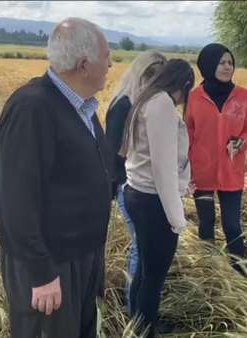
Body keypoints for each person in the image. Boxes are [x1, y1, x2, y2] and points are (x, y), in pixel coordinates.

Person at [0, 17, 113, 337]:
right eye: (107, 55)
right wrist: (41, 274)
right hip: (52, 265)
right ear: (85, 64)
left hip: (81, 258)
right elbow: (16, 201)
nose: (112, 63)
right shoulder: (32, 108)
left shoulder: (81, 107)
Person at [120, 59, 195, 337]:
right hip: (154, 201)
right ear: (185, 85)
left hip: (138, 194)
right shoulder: (162, 104)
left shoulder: (146, 99)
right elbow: (163, 169)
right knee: (154, 275)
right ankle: (147, 330)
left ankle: (139, 324)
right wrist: (177, 219)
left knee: (146, 269)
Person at [185, 43, 247, 275]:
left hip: (231, 172)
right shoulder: (194, 97)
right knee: (206, 225)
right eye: (222, 62)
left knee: (232, 226)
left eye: (230, 62)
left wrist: (241, 142)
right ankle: (209, 274)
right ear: (208, 65)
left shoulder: (242, 96)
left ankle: (239, 276)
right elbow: (186, 134)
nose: (228, 67)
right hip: (203, 173)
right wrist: (185, 170)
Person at [105, 51, 166, 312]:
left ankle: (141, 309)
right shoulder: (124, 105)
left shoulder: (143, 104)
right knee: (142, 249)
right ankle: (135, 312)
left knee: (145, 249)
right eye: (154, 80)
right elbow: (113, 152)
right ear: (142, 75)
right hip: (128, 187)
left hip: (142, 187)